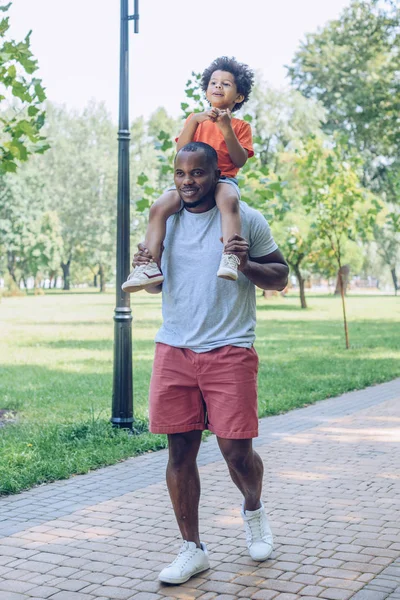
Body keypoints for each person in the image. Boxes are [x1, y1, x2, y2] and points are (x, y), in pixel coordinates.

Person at [132, 141, 289, 585]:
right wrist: (145, 265)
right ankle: (191, 548)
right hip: (175, 348)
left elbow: (280, 275)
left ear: (215, 175)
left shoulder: (244, 218)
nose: (188, 182)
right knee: (180, 452)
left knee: (235, 452)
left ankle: (254, 511)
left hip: (229, 348)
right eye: (180, 174)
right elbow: (152, 287)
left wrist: (245, 264)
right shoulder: (167, 220)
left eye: (197, 174)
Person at [122, 56, 255, 292]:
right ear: (206, 90)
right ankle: (149, 265)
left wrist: (226, 128)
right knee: (159, 206)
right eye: (213, 83)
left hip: (223, 179)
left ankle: (230, 255)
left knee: (229, 201)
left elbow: (239, 160)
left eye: (226, 84)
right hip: (190, 181)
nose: (218, 87)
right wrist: (193, 121)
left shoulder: (241, 127)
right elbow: (181, 151)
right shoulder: (196, 120)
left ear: (239, 97)